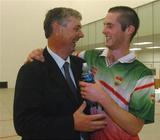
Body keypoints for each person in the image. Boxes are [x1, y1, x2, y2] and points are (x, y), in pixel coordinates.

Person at [27, 6, 155, 140]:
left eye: (110, 26)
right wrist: (40, 53)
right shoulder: (88, 57)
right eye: (104, 25)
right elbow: (58, 55)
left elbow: (135, 127)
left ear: (129, 30)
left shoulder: (143, 75)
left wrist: (103, 98)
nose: (104, 30)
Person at [13, 7, 107, 140]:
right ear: (57, 28)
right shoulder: (31, 70)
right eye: (76, 28)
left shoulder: (81, 64)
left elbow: (89, 102)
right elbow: (23, 124)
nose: (81, 34)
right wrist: (72, 123)